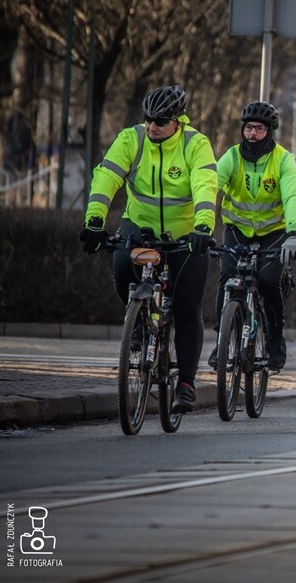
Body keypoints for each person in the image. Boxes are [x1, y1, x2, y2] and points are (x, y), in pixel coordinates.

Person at [78, 84, 217, 414]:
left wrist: (203, 226)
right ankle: (137, 321)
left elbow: (205, 184)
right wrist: (95, 220)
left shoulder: (195, 144)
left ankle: (185, 383)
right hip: (138, 226)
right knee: (121, 266)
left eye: (160, 121)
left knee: (186, 308)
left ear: (177, 121)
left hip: (186, 235)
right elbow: (107, 176)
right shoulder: (132, 138)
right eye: (148, 119)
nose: (152, 126)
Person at [212, 101, 296, 372]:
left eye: (260, 129)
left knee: (267, 280)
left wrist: (294, 233)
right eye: (249, 128)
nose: (252, 133)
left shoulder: (283, 160)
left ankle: (275, 340)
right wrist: (199, 223)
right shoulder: (232, 156)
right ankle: (221, 341)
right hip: (237, 230)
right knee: (228, 278)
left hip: (274, 233)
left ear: (270, 131)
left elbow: (292, 197)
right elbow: (211, 185)